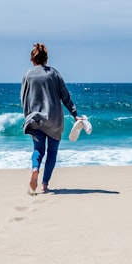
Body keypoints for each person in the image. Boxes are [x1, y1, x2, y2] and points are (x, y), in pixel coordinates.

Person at [20, 42, 84, 194]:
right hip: (54, 120)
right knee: (52, 152)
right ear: (46, 59)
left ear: (32, 60)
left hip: (35, 119)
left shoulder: (28, 75)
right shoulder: (54, 74)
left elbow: (24, 98)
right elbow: (65, 96)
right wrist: (75, 114)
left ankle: (35, 168)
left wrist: (27, 117)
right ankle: (44, 185)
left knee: (38, 150)